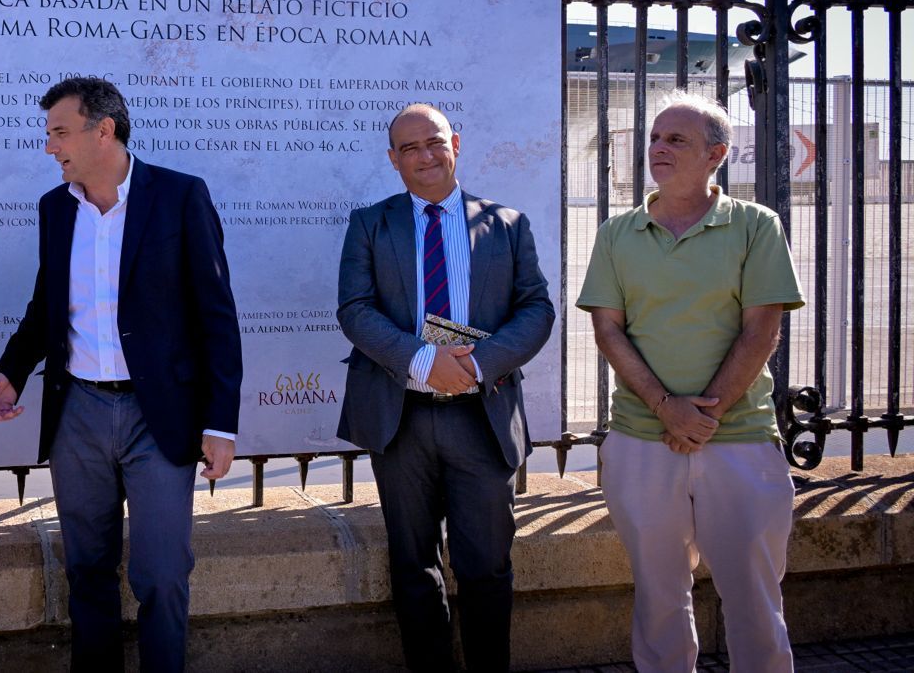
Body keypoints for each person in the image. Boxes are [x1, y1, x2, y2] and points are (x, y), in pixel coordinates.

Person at [0, 77, 243, 673]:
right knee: (88, 569)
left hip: (161, 419)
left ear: (105, 131)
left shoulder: (180, 196)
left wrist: (220, 423)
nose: (50, 147)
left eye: (60, 132)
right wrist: (12, 372)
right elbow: (47, 303)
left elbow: (217, 316)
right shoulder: (55, 208)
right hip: (78, 411)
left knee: (161, 572)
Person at [578, 91, 804, 672]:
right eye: (655, 137)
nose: (658, 147)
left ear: (717, 154)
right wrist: (663, 408)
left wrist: (702, 416)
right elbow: (610, 333)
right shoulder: (616, 233)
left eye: (676, 139)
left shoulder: (756, 226)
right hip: (641, 438)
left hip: (741, 440)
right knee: (658, 597)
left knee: (755, 599)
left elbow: (761, 331)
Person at [336, 103, 554, 672]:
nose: (423, 156)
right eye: (408, 149)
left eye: (433, 142)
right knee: (413, 566)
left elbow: (536, 309)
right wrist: (423, 360)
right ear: (393, 160)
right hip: (401, 415)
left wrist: (476, 365)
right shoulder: (371, 224)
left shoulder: (507, 224)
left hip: (480, 416)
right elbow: (355, 310)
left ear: (455, 142)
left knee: (486, 565)